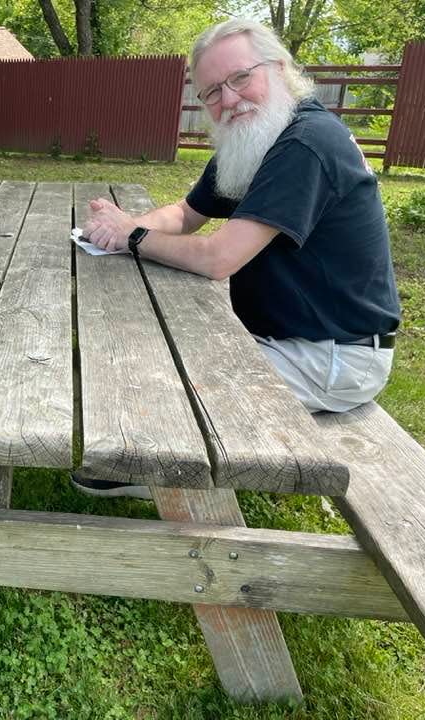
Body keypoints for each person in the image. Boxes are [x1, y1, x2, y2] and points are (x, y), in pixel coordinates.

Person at [76, 18, 401, 499]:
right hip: (283, 338)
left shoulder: (305, 144)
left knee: (154, 374)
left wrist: (133, 237)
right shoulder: (255, 138)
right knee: (147, 343)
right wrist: (126, 222)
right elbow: (187, 214)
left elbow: (217, 257)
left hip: (333, 355)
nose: (228, 99)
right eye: (212, 92)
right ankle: (172, 445)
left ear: (281, 68)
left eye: (240, 77)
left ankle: (173, 470)